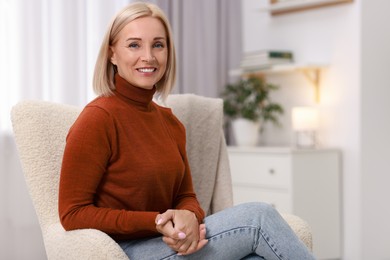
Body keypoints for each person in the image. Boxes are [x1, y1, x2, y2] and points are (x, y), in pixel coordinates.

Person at [58, 2, 315, 259]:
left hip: (168, 243)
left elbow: (186, 195)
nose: (148, 56)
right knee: (259, 217)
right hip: (125, 251)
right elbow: (72, 213)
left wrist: (189, 215)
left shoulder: (170, 123)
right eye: (134, 45)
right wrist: (157, 221)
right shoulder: (98, 118)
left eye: (158, 45)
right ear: (112, 53)